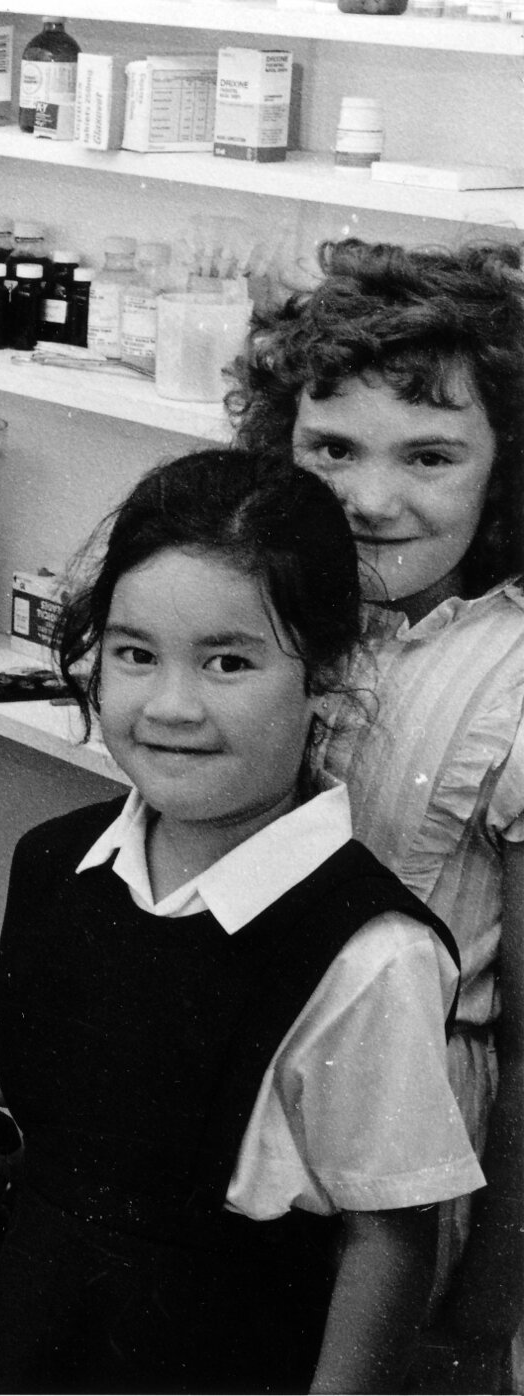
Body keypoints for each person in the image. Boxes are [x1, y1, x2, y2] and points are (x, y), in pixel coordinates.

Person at [0, 450, 482, 1392]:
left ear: (330, 668)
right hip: (23, 1341)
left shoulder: (367, 951)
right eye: (134, 655)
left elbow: (389, 1236)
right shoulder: (58, 863)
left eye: (229, 662)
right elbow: (58, 1072)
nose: (169, 706)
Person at [231, 237, 524, 1391]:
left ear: (502, 472)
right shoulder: (258, 612)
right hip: (235, 1075)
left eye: (431, 455)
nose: (367, 496)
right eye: (330, 447)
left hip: (416, 1141)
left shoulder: (508, 677)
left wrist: (491, 1286)